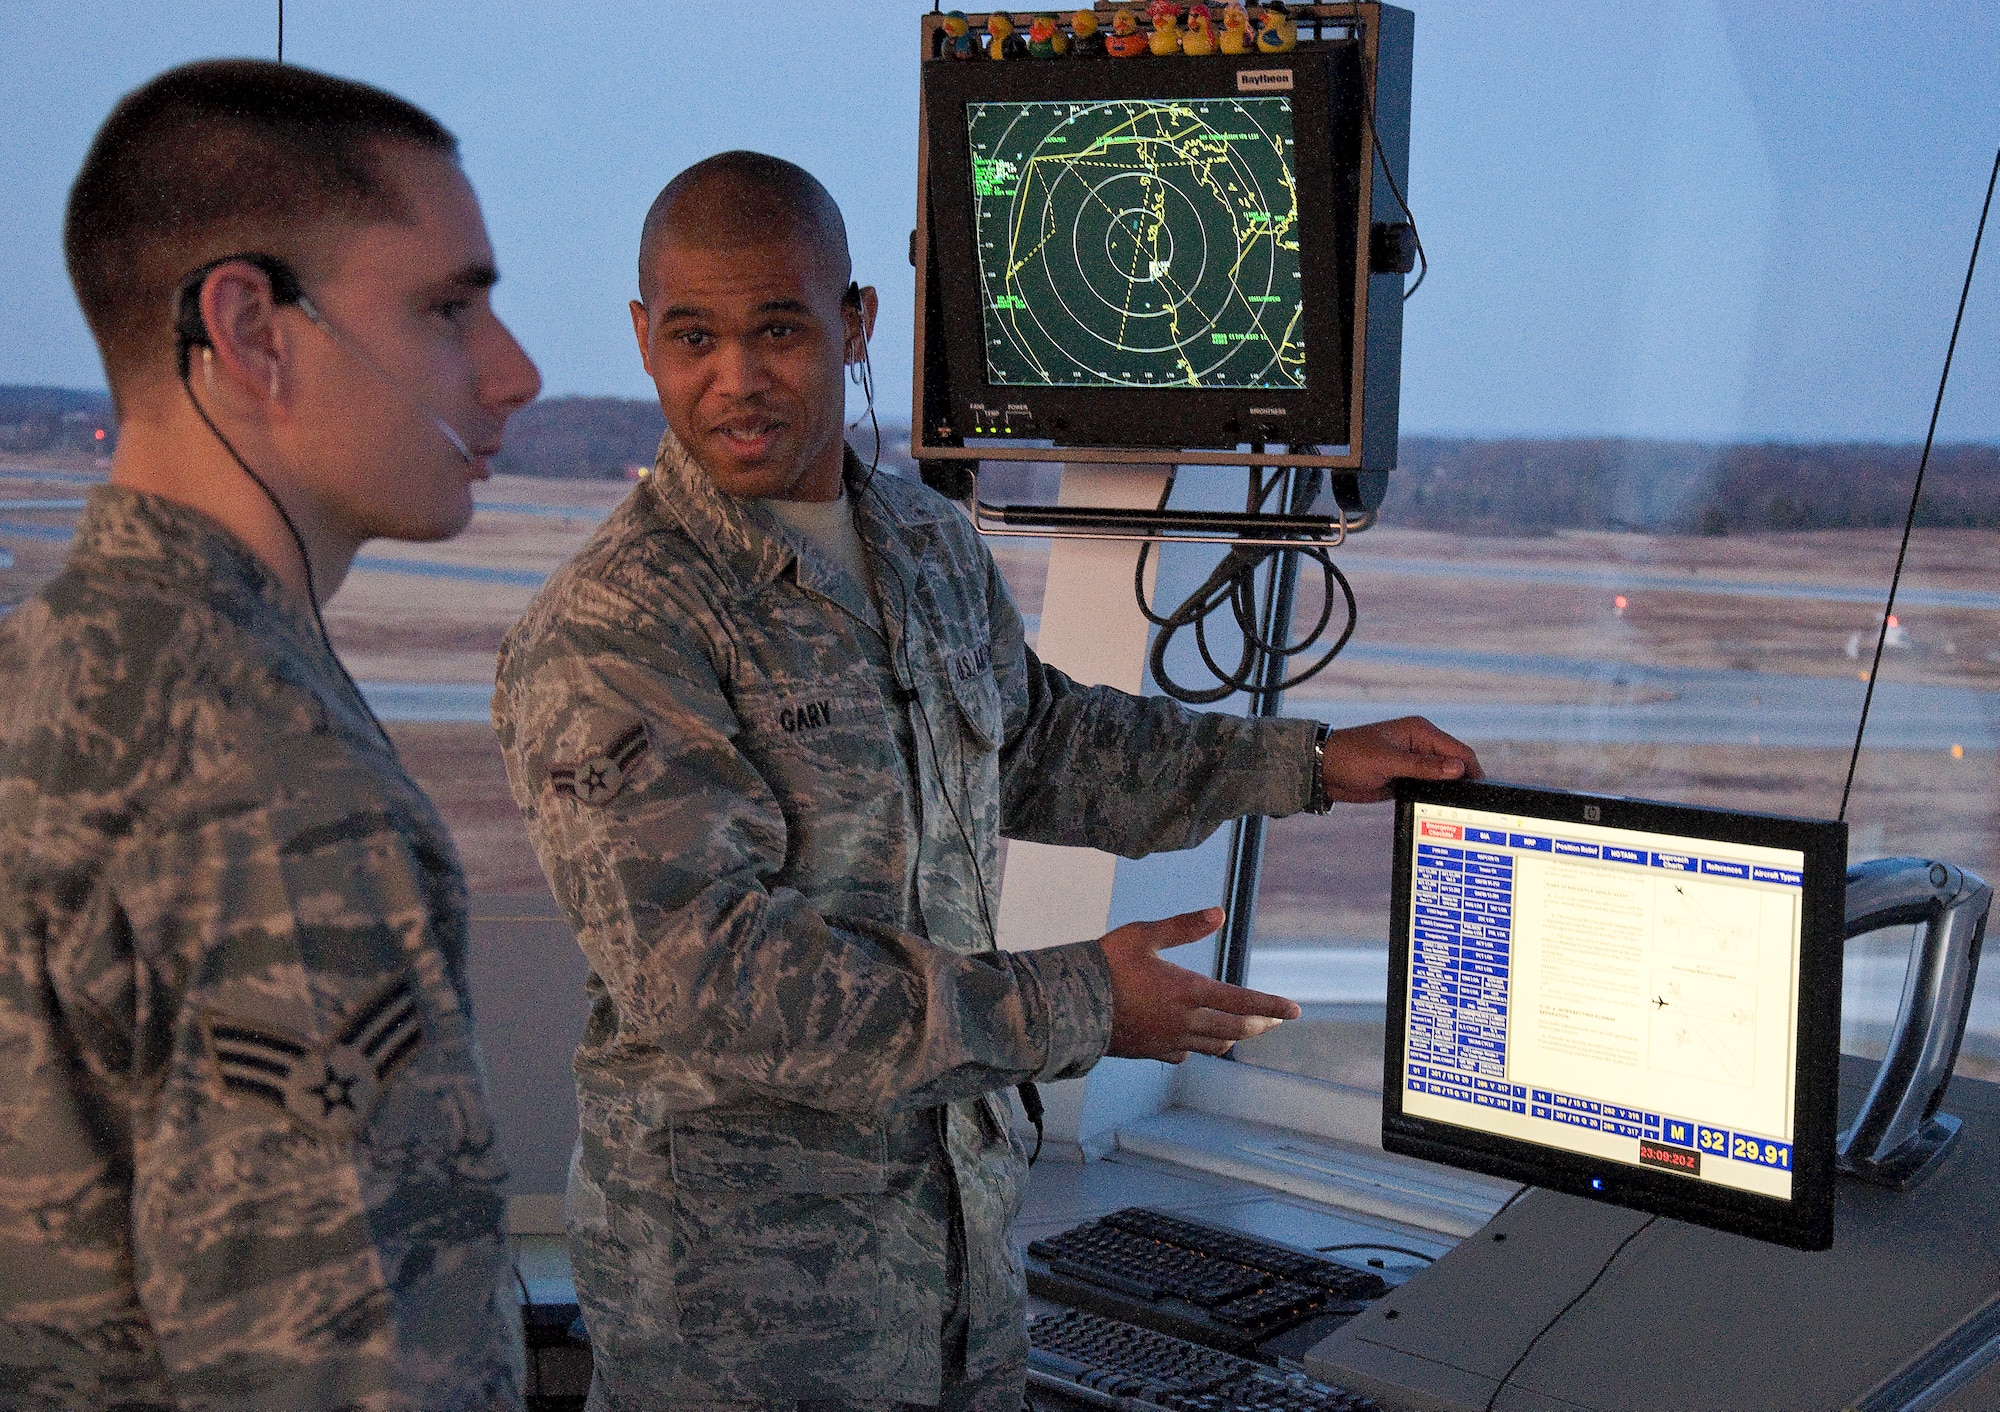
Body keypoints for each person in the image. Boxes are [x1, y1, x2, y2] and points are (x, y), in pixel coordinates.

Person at [491, 151, 1479, 1410]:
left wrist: (1308, 762)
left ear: (854, 321)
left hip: (956, 1265)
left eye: (776, 329)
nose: (733, 377)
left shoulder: (922, 542)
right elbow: (713, 978)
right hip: (747, 1322)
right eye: (693, 336)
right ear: (641, 338)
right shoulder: (617, 628)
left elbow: (1045, 742)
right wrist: (1076, 1006)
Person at [0, 60, 542, 1410]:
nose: (515, 370)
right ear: (252, 329)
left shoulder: (43, 667)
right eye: (448, 306)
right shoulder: (275, 789)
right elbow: (346, 1372)